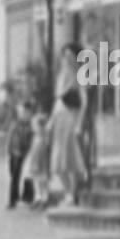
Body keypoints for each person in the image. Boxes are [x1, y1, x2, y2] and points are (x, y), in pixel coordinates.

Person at [49, 42, 88, 206]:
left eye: (69, 56)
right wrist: (51, 120)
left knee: (70, 157)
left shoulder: (80, 75)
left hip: (70, 117)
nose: (66, 59)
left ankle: (71, 193)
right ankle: (67, 192)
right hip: (59, 116)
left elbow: (84, 101)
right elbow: (58, 100)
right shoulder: (61, 75)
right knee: (58, 161)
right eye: (64, 55)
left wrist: (79, 123)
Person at [6, 99, 36, 209]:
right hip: (15, 153)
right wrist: (9, 151)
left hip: (26, 154)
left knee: (28, 175)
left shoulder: (32, 125)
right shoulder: (15, 124)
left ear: (30, 114)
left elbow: (34, 139)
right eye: (21, 113)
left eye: (26, 113)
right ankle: (13, 199)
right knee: (14, 176)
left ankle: (28, 196)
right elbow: (10, 138)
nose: (23, 115)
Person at [22, 111, 51, 209]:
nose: (33, 127)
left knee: (43, 181)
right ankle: (38, 198)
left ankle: (44, 199)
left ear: (41, 127)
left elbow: (43, 153)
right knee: (36, 181)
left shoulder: (43, 139)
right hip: (34, 163)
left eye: (35, 125)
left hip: (41, 164)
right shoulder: (36, 137)